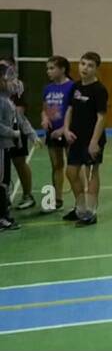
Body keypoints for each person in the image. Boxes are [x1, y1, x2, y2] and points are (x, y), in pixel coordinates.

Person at [62, 52, 108, 227]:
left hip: (92, 139)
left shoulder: (99, 90)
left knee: (91, 173)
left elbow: (101, 117)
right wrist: (66, 129)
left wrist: (94, 142)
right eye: (82, 64)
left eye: (89, 65)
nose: (85, 68)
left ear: (96, 69)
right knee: (71, 172)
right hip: (75, 138)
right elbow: (69, 110)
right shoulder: (75, 86)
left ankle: (91, 213)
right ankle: (80, 208)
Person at [41, 56, 75, 213]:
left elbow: (74, 111)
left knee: (73, 167)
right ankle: (57, 199)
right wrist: (45, 118)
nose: (48, 71)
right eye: (47, 68)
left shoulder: (72, 87)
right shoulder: (47, 88)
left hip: (68, 132)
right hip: (51, 133)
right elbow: (45, 108)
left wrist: (63, 129)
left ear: (62, 69)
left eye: (52, 68)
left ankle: (79, 199)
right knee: (56, 165)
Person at [4, 58, 39, 210]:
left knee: (19, 162)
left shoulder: (17, 86)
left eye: (8, 67)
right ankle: (4, 197)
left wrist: (28, 133)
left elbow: (20, 113)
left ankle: (27, 195)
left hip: (15, 131)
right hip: (3, 133)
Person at [0, 61, 22, 230]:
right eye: (9, 78)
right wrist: (14, 133)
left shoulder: (6, 99)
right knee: (1, 181)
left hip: (5, 146)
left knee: (5, 180)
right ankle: (2, 217)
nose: (13, 82)